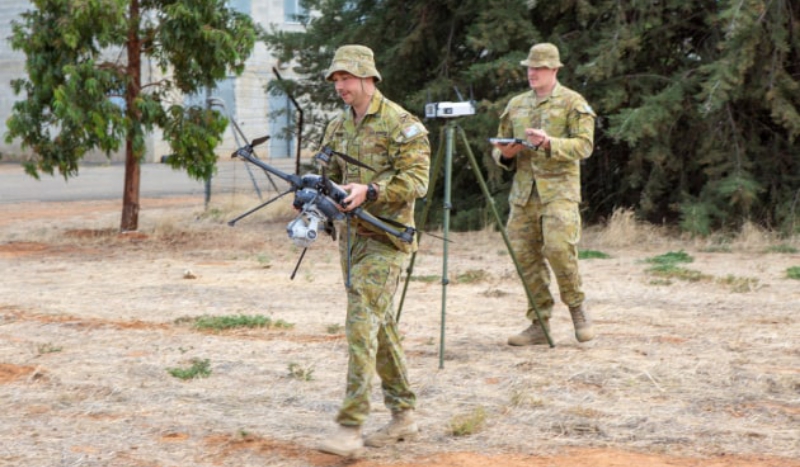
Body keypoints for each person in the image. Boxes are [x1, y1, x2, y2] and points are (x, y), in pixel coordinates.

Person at [315, 44, 430, 457]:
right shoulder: (336, 126)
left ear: (368, 78)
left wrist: (372, 190)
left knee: (361, 323)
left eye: (346, 77)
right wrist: (314, 197)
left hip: (387, 240)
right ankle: (404, 415)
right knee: (379, 327)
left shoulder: (401, 123)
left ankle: (350, 426)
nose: (340, 86)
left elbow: (417, 180)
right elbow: (326, 174)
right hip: (351, 242)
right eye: (336, 79)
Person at [491, 42, 597, 346]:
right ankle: (539, 323)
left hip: (559, 192)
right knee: (524, 257)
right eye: (529, 68)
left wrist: (550, 143)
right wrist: (505, 154)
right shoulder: (516, 105)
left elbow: (584, 146)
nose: (532, 73)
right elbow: (499, 148)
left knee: (559, 250)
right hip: (524, 195)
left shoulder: (572, 102)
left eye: (538, 68)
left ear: (554, 70)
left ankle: (576, 307)